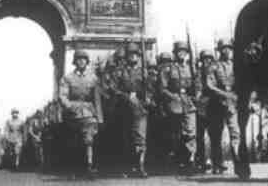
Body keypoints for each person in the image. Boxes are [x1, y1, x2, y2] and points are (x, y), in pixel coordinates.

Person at [158, 41, 201, 174]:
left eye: (184, 51)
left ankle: (190, 161)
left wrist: (197, 94)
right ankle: (176, 162)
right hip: (174, 104)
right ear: (175, 54)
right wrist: (173, 97)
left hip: (188, 103)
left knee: (190, 133)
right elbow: (162, 88)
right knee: (175, 134)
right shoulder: (168, 69)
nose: (181, 54)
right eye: (179, 52)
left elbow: (198, 84)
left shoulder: (191, 68)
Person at [59, 50, 104, 173]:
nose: (81, 61)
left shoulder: (94, 78)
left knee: (89, 138)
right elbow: (63, 96)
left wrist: (100, 118)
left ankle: (89, 164)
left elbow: (97, 99)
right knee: (74, 139)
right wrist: (69, 107)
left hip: (89, 112)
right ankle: (75, 165)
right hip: (73, 113)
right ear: (75, 61)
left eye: (84, 59)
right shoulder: (67, 78)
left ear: (87, 61)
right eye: (79, 59)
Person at [110, 42, 150, 178]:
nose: (133, 57)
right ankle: (126, 167)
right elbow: (113, 89)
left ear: (138, 56)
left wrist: (147, 97)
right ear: (126, 56)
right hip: (124, 109)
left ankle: (140, 166)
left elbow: (149, 88)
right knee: (125, 138)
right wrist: (126, 96)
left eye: (135, 54)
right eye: (130, 54)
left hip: (140, 109)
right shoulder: (119, 71)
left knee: (140, 138)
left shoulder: (144, 71)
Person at [206, 39, 240, 174]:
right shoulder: (213, 66)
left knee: (235, 132)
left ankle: (238, 160)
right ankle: (217, 163)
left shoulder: (236, 66)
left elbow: (241, 83)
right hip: (217, 104)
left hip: (232, 104)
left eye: (229, 48)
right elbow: (210, 85)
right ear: (219, 51)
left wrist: (236, 95)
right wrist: (225, 94)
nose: (227, 51)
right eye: (224, 48)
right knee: (216, 135)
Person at [195, 50, 213, 173]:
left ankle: (216, 161)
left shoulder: (215, 72)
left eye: (209, 59)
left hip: (214, 107)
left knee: (215, 136)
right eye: (204, 59)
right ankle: (201, 160)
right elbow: (197, 88)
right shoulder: (198, 73)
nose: (207, 61)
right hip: (201, 107)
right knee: (199, 136)